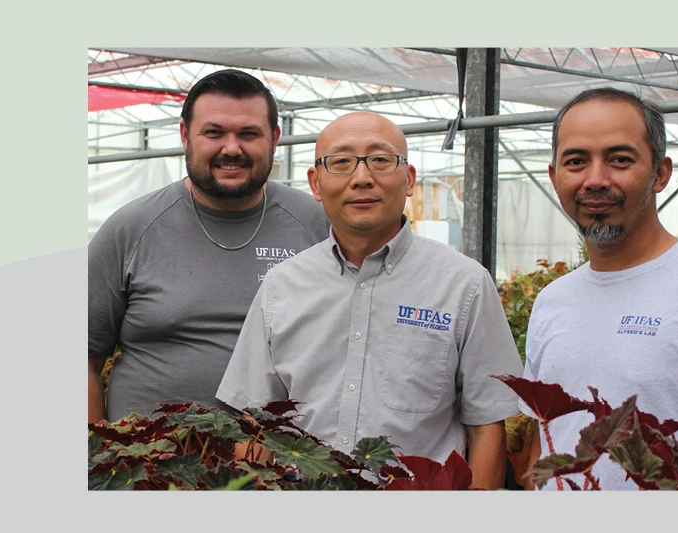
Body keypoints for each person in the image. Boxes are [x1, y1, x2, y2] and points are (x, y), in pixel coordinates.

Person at [216, 111, 523, 490]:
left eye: (380, 160)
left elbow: (488, 422)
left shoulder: (464, 284)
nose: (362, 178)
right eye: (341, 162)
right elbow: (255, 419)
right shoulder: (282, 285)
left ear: (409, 179)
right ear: (315, 183)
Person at [519, 88, 678, 490]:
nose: (596, 180)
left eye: (620, 160)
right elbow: (544, 441)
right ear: (554, 177)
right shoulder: (553, 300)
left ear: (660, 173)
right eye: (576, 162)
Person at [88, 69, 329, 424]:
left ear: (275, 138)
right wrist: (94, 458)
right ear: (185, 135)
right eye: (214, 133)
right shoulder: (129, 229)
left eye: (249, 134)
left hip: (280, 469)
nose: (231, 149)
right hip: (145, 467)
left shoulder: (317, 225)